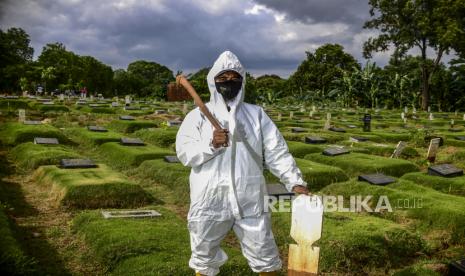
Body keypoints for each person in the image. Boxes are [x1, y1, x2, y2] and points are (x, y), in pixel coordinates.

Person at [176, 51, 309, 276]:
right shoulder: (197, 116)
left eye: (234, 77)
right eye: (223, 78)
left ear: (242, 80)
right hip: (209, 198)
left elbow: (276, 151)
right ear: (213, 81)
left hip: (250, 198)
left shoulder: (256, 115)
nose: (229, 82)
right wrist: (211, 144)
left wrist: (294, 182)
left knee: (264, 254)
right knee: (203, 255)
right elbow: (184, 153)